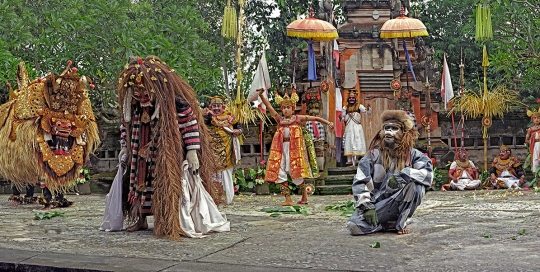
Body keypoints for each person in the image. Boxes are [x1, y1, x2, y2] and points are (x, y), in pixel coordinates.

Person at [117, 55, 225, 240]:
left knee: (164, 185)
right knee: (138, 183)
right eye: (137, 92)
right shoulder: (132, 105)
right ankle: (140, 218)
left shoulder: (175, 102)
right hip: (138, 152)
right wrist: (124, 147)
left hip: (164, 154)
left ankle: (166, 220)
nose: (141, 96)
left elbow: (189, 123)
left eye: (145, 93)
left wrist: (192, 150)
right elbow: (124, 125)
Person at [346, 110, 433, 235]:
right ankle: (386, 224)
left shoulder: (413, 155)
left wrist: (403, 175)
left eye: (394, 128)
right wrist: (366, 206)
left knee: (417, 187)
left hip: (401, 200)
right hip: (378, 204)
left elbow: (427, 175)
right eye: (387, 128)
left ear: (403, 133)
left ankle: (400, 222)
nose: (388, 132)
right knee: (353, 226)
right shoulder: (372, 155)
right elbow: (360, 181)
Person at [257, 88, 334, 206]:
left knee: (296, 174)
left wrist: (328, 123)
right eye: (284, 108)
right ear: (282, 109)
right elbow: (269, 107)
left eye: (288, 107)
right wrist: (262, 95)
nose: (286, 110)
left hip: (295, 151)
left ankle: (304, 195)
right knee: (279, 172)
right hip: (281, 150)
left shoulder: (298, 119)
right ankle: (288, 199)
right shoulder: (279, 119)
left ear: (293, 109)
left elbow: (316, 118)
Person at [204, 96, 243, 204]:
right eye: (214, 106)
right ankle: (213, 198)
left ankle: (226, 197)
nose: (216, 108)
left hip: (226, 150)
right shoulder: (207, 117)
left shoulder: (229, 117)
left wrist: (238, 131)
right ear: (210, 107)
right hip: (211, 150)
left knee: (225, 172)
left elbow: (239, 127)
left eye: (218, 106)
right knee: (212, 172)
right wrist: (208, 115)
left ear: (223, 107)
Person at [340, 89, 372, 167]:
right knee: (349, 142)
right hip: (349, 128)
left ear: (355, 98)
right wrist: (340, 117)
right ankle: (349, 161)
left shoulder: (359, 106)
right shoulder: (345, 107)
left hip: (357, 128)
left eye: (353, 98)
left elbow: (367, 113)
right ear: (348, 99)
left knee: (356, 142)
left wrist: (368, 108)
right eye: (350, 98)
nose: (351, 99)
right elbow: (341, 118)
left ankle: (355, 161)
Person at [525, 109, 540, 175]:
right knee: (535, 159)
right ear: (532, 120)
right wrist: (531, 142)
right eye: (535, 118)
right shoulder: (530, 129)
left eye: (538, 118)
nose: (537, 119)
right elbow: (526, 139)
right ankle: (536, 177)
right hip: (535, 146)